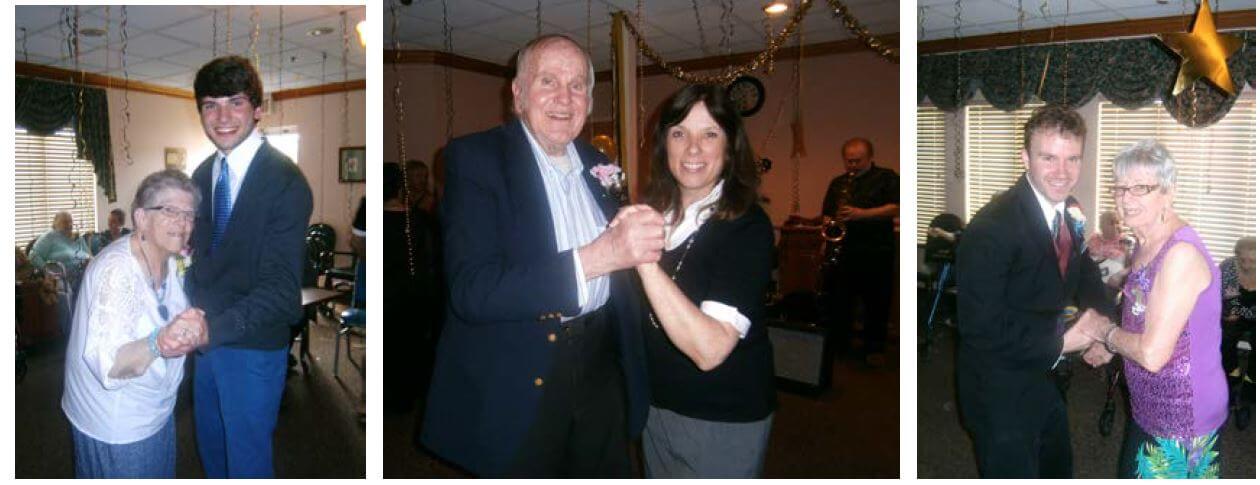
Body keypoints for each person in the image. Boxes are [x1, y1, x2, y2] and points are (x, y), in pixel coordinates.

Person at [421, 34, 663, 477]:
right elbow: (472, 291)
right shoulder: (475, 159)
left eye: (577, 86)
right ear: (517, 94)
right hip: (521, 373)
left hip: (601, 366)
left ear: (590, 101)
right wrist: (596, 258)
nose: (564, 98)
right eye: (548, 81)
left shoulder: (600, 163)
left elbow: (626, 269)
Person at [954, 105, 1111, 478]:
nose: (1062, 172)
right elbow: (981, 327)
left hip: (1046, 378)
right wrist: (1063, 342)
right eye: (1049, 158)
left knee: (1057, 470)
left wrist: (1102, 330)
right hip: (999, 388)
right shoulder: (992, 228)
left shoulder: (1069, 209)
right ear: (1025, 157)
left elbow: (1086, 272)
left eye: (1072, 158)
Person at [633, 84, 776, 478]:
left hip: (722, 416)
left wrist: (641, 259)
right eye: (679, 133)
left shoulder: (746, 227)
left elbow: (710, 349)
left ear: (730, 149)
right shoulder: (652, 216)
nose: (693, 149)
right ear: (665, 145)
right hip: (656, 405)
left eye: (709, 134)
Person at [185, 56, 313, 478]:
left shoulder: (285, 182)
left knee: (246, 463)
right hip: (206, 344)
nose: (222, 117)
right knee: (213, 453)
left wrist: (211, 329)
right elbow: (201, 262)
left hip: (253, 346)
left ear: (258, 108)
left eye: (235, 102)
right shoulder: (203, 175)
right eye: (210, 104)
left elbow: (280, 291)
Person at [1079, 140, 1228, 478]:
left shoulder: (1178, 255)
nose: (1126, 199)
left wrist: (1104, 332)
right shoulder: (1146, 244)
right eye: (1119, 188)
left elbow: (1152, 354)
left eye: (1141, 188)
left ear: (1168, 191)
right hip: (1150, 405)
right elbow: (1146, 317)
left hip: (1181, 416)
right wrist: (1111, 345)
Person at [62, 170, 207, 478]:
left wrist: (190, 329)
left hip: (155, 409)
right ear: (141, 217)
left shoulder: (168, 257)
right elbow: (110, 364)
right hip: (118, 422)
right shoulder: (117, 273)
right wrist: (159, 342)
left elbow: (167, 311)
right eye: (170, 211)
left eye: (189, 215)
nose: (183, 224)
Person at [820, 137, 898, 366]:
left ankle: (874, 349)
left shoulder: (887, 177)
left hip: (876, 250)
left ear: (870, 157)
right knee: (840, 300)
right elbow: (827, 212)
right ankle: (840, 345)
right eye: (849, 161)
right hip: (844, 250)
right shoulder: (838, 183)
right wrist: (827, 232)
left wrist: (860, 214)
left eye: (858, 161)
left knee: (877, 301)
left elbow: (897, 206)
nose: (852, 165)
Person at [382, 163, 439, 412]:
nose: (419, 180)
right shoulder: (416, 217)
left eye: (422, 176)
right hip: (410, 288)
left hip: (396, 289)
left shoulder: (428, 208)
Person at [1220, 236, 1255, 380]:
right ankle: (1227, 372)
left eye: (1252, 261)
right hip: (1234, 308)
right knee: (1226, 334)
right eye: (1242, 260)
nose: (1246, 265)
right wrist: (1231, 313)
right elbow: (1229, 298)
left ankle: (1252, 377)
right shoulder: (1229, 266)